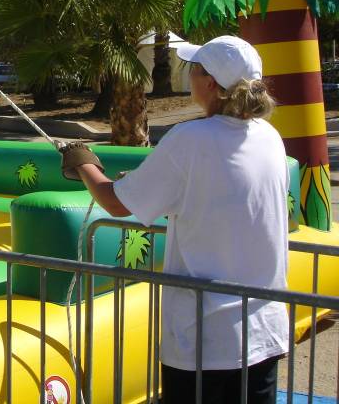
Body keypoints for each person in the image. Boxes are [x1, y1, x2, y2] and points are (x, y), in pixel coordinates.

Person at [59, 35, 289, 404]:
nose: (188, 76)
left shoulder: (191, 139)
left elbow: (114, 204)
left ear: (210, 84)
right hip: (262, 331)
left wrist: (84, 162)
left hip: (206, 340)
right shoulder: (270, 137)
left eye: (193, 69)